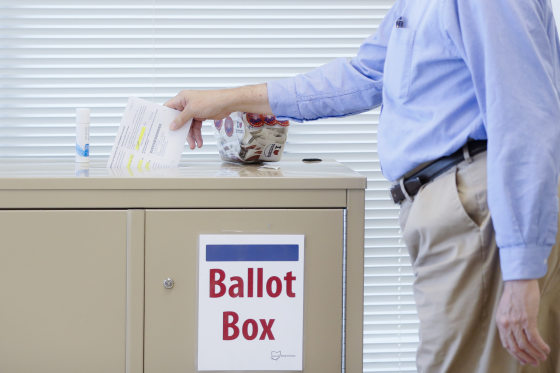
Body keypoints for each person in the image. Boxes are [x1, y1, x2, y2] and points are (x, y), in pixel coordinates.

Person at [165, 0, 560, 371]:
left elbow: (526, 118)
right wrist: (229, 99)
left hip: (479, 209)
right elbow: (362, 77)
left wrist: (523, 271)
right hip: (451, 209)